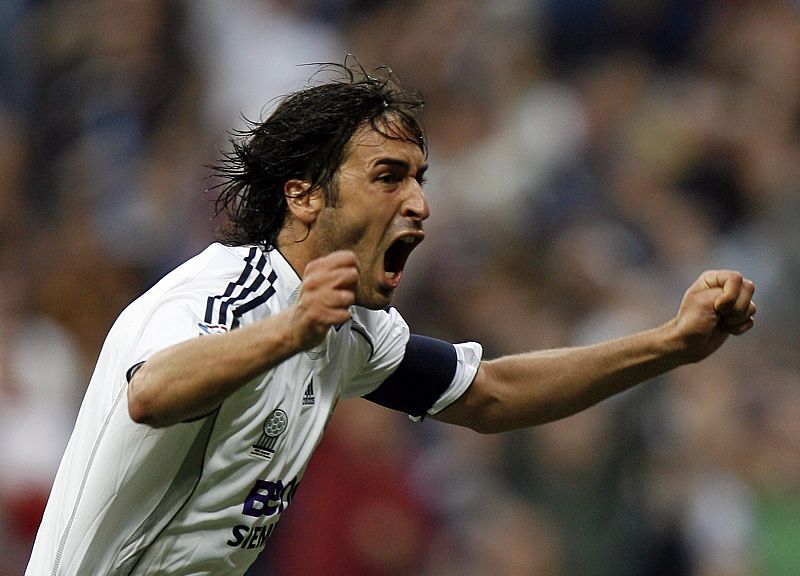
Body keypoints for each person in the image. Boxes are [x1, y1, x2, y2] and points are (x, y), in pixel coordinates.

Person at [25, 63, 756, 576]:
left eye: (421, 178)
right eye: (388, 176)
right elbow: (150, 392)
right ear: (305, 196)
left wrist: (671, 344)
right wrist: (291, 332)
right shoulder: (234, 293)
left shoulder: (347, 329)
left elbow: (491, 394)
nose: (420, 202)